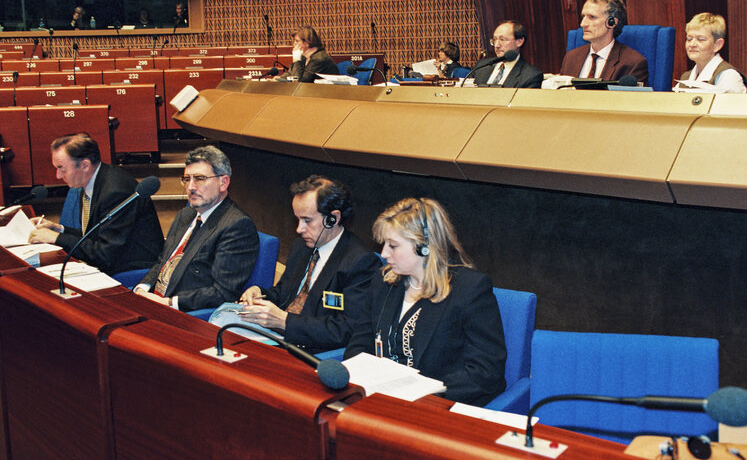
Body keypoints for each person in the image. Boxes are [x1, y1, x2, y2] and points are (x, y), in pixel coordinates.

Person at [344, 197, 506, 406]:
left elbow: (485, 371)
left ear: (424, 248)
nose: (384, 254)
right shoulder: (382, 281)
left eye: (393, 246)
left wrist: (425, 392)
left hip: (434, 405)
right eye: (384, 244)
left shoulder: (470, 290)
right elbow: (358, 345)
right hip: (380, 400)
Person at [239, 175, 380, 351]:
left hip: (311, 351)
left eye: (307, 220)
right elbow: (284, 293)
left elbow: (346, 329)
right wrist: (260, 293)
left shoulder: (360, 262)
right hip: (274, 339)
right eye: (297, 219)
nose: (299, 229)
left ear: (332, 219)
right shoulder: (301, 247)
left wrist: (284, 321)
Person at [133, 146, 259, 311]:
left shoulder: (236, 226)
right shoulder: (185, 215)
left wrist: (169, 303)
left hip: (182, 314)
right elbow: (163, 262)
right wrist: (142, 288)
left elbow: (222, 293)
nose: (191, 187)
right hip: (153, 303)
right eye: (187, 179)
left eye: (199, 178)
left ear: (223, 182)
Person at [29, 133, 163, 275]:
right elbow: (94, 235)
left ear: (85, 165)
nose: (58, 176)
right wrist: (59, 229)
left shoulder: (115, 192)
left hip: (134, 270)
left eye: (62, 169)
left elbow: (104, 254)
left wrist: (56, 238)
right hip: (114, 260)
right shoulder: (92, 180)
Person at [560, 0, 648, 85]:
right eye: (583, 16)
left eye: (592, 17)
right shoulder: (571, 58)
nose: (583, 24)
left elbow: (632, 99)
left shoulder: (633, 63)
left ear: (611, 22)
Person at [674, 13, 747, 93]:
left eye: (701, 39)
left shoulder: (728, 76)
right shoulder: (685, 78)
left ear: (717, 45)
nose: (692, 44)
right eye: (689, 39)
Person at [472, 20, 543, 88]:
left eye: (502, 39)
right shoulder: (481, 66)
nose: (497, 45)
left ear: (519, 42)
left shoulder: (530, 76)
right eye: (495, 40)